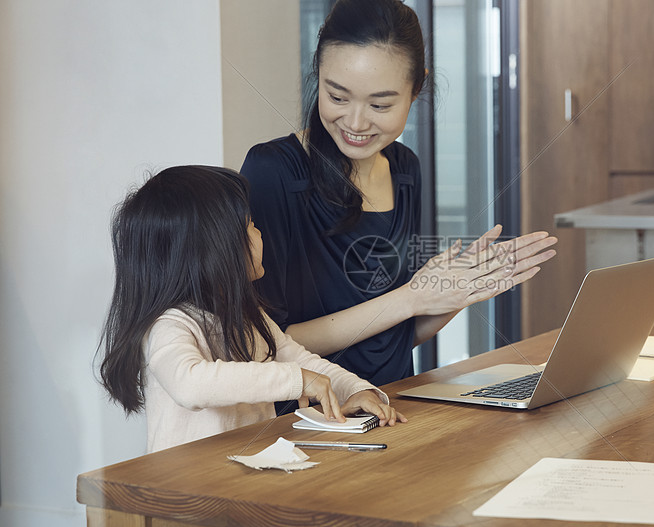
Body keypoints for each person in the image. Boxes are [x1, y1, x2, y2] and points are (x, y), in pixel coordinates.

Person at [241, 0, 557, 390]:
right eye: (337, 96)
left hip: (396, 405)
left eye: (380, 104)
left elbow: (395, 337)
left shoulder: (405, 168)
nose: (355, 122)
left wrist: (457, 290)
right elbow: (264, 343)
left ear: (416, 89)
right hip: (309, 418)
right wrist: (410, 299)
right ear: (318, 76)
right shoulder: (273, 170)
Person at [98, 166, 404, 453]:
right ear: (213, 250)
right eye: (251, 226)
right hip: (187, 492)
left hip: (249, 471)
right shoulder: (170, 325)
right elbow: (190, 384)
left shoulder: (248, 317)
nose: (260, 235)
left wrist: (356, 391)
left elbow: (304, 362)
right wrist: (297, 380)